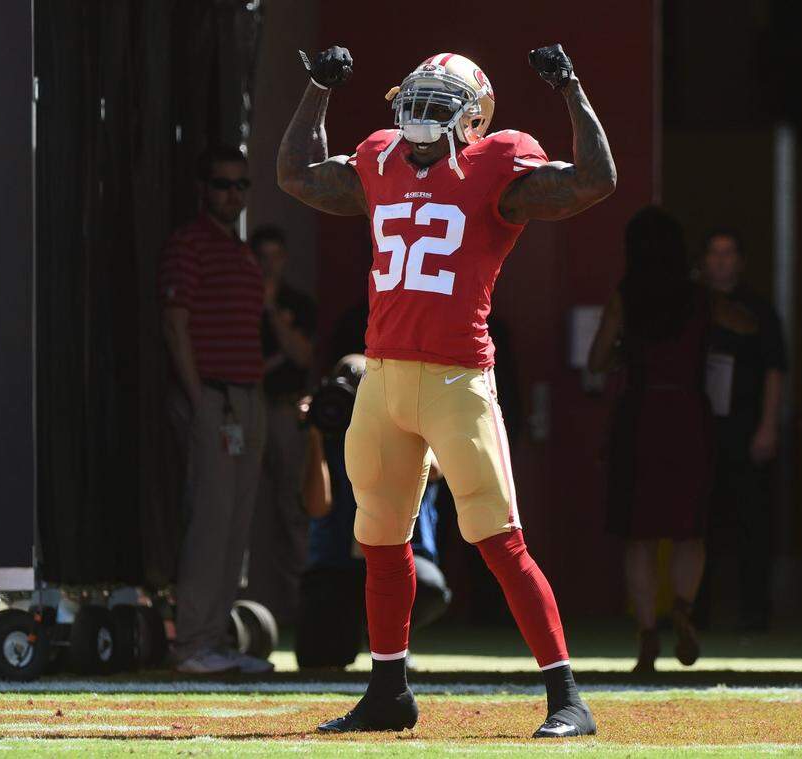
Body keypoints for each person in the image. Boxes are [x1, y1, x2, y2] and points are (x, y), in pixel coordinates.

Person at [278, 45, 615, 737]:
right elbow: (295, 174)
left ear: (475, 118)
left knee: (498, 537)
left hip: (459, 380)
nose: (424, 110)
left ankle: (566, 698)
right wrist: (317, 89)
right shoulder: (378, 158)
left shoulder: (499, 164)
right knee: (376, 537)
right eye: (419, 95)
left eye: (442, 99)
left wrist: (571, 88)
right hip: (383, 376)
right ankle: (388, 690)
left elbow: (595, 181)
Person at [158, 145, 271, 675]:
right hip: (214, 397)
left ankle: (214, 639)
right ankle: (192, 645)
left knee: (235, 524)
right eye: (223, 184)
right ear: (204, 189)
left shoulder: (243, 251)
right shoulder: (190, 244)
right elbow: (174, 322)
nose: (233, 194)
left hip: (247, 398)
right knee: (210, 521)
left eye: (241, 185)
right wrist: (198, 396)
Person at [587, 207, 713, 675]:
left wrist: (623, 351)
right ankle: (682, 606)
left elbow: (596, 360)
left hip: (640, 417)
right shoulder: (701, 298)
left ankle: (645, 636)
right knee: (689, 530)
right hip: (689, 416)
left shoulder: (627, 296)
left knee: (638, 536)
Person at [295, 355, 452, 669]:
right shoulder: (329, 434)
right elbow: (316, 505)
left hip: (401, 560)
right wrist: (315, 434)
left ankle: (390, 638)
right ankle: (352, 633)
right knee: (318, 658)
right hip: (339, 565)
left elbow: (434, 470)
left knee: (428, 586)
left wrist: (391, 420)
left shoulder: (405, 421)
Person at [699, 229, 787, 632]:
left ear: (740, 261)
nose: (721, 261)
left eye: (728, 253)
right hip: (700, 429)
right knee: (699, 524)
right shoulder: (692, 305)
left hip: (746, 426)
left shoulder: (760, 311)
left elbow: (775, 371)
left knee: (754, 523)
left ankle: (756, 613)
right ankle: (694, 613)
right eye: (714, 254)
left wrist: (768, 426)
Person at [249, 224, 317, 625]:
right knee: (245, 507)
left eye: (275, 257)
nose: (268, 266)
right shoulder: (234, 299)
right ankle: (251, 607)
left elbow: (303, 356)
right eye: (261, 257)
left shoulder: (297, 303)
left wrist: (272, 310)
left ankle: (296, 610)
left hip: (286, 412)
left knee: (293, 509)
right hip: (246, 408)